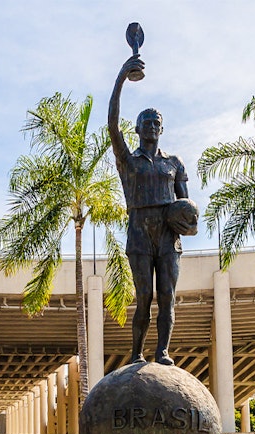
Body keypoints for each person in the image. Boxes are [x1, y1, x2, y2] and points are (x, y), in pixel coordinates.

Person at [108, 50, 195, 366]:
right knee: (144, 298)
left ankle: (162, 352)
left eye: (156, 122)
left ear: (162, 129)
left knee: (168, 298)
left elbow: (185, 206)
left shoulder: (174, 163)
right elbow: (112, 124)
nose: (151, 126)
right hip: (140, 233)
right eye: (146, 122)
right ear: (138, 129)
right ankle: (136, 353)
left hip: (168, 236)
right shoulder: (129, 162)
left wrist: (189, 224)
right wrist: (121, 77)